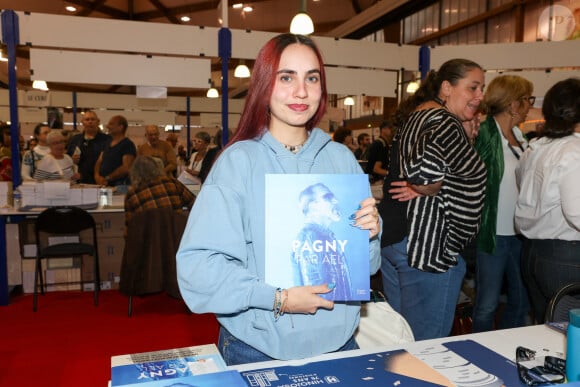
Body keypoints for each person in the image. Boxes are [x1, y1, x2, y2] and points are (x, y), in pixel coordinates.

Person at [176, 33, 381, 365]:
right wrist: (277, 299)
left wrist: (370, 235)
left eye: (311, 78)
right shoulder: (237, 163)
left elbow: (367, 267)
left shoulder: (341, 159)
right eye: (286, 77)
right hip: (259, 348)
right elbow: (199, 270)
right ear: (264, 85)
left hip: (339, 344)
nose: (301, 91)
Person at [378, 58, 487, 341]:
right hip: (427, 248)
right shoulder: (442, 120)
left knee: (402, 340)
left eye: (482, 89)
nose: (480, 96)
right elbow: (425, 172)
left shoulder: (420, 115)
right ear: (447, 87)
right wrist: (426, 186)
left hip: (397, 239)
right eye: (473, 87)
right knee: (427, 347)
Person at [515, 77, 580, 324]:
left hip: (534, 252)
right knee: (568, 332)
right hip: (566, 256)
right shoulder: (574, 150)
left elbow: (523, 185)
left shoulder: (537, 146)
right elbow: (577, 213)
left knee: (547, 328)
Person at [471, 75, 534, 332]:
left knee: (522, 301)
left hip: (521, 233)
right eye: (527, 99)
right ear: (513, 104)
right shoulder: (483, 133)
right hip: (492, 233)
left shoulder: (521, 137)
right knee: (486, 304)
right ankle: (478, 355)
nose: (530, 105)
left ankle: (508, 351)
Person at [292, 183, 353, 300]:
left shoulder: (322, 235)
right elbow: (316, 294)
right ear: (312, 206)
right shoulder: (310, 236)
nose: (335, 201)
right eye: (328, 197)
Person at [124, 155, 196, 231]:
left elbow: (130, 228)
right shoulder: (173, 183)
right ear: (157, 168)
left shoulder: (132, 196)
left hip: (151, 239)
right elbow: (195, 204)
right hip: (177, 236)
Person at [67, 110, 111, 184]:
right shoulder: (75, 140)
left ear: (98, 121)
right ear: (82, 122)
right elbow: (66, 158)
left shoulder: (107, 140)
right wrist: (71, 160)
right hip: (79, 181)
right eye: (87, 119)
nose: (90, 122)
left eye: (93, 119)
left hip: (100, 181)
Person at [94, 115, 136, 191]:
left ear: (121, 127)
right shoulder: (107, 143)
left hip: (119, 187)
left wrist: (108, 178)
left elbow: (126, 167)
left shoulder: (127, 144)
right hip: (104, 185)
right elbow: (99, 161)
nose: (108, 126)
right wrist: (97, 176)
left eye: (111, 124)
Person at [365, 120, 394, 184]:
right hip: (374, 180)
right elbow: (376, 169)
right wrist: (393, 174)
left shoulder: (382, 143)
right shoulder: (381, 144)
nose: (392, 130)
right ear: (383, 130)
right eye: (390, 128)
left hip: (372, 179)